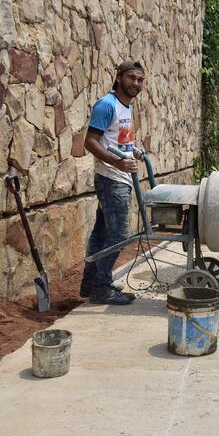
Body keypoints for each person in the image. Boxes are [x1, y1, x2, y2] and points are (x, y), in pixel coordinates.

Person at [79, 61, 146, 305]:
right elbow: (91, 141)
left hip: (120, 177)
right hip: (111, 178)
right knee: (118, 235)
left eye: (139, 80)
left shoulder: (124, 106)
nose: (135, 83)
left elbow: (115, 138)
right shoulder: (107, 105)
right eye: (131, 78)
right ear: (118, 78)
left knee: (101, 233)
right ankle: (101, 287)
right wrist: (116, 163)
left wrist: (133, 150)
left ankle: (90, 282)